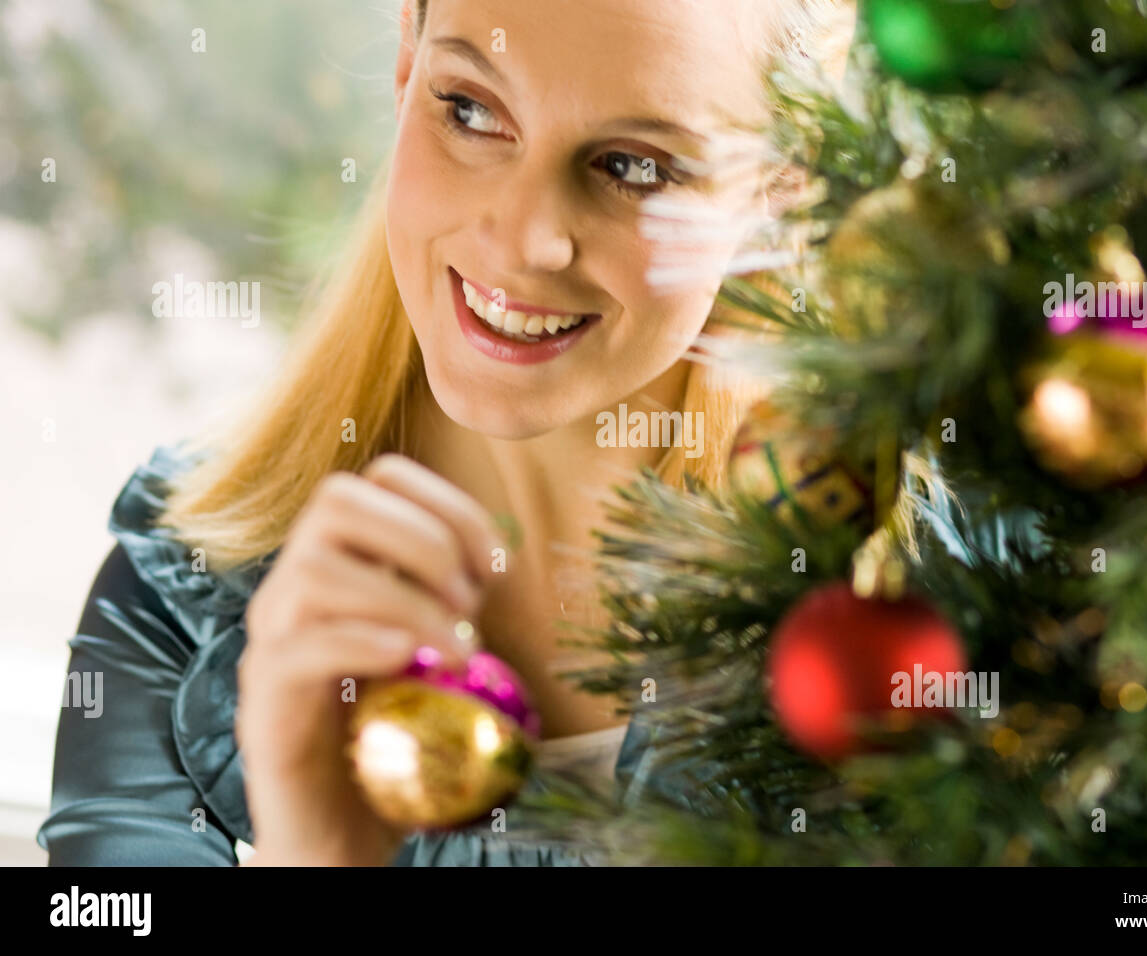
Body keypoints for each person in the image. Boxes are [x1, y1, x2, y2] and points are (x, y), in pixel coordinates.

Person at [38, 0, 855, 866]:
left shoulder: (895, 618)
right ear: (405, 71)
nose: (524, 237)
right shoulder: (189, 572)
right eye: (470, 109)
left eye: (633, 166)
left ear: (781, 191)